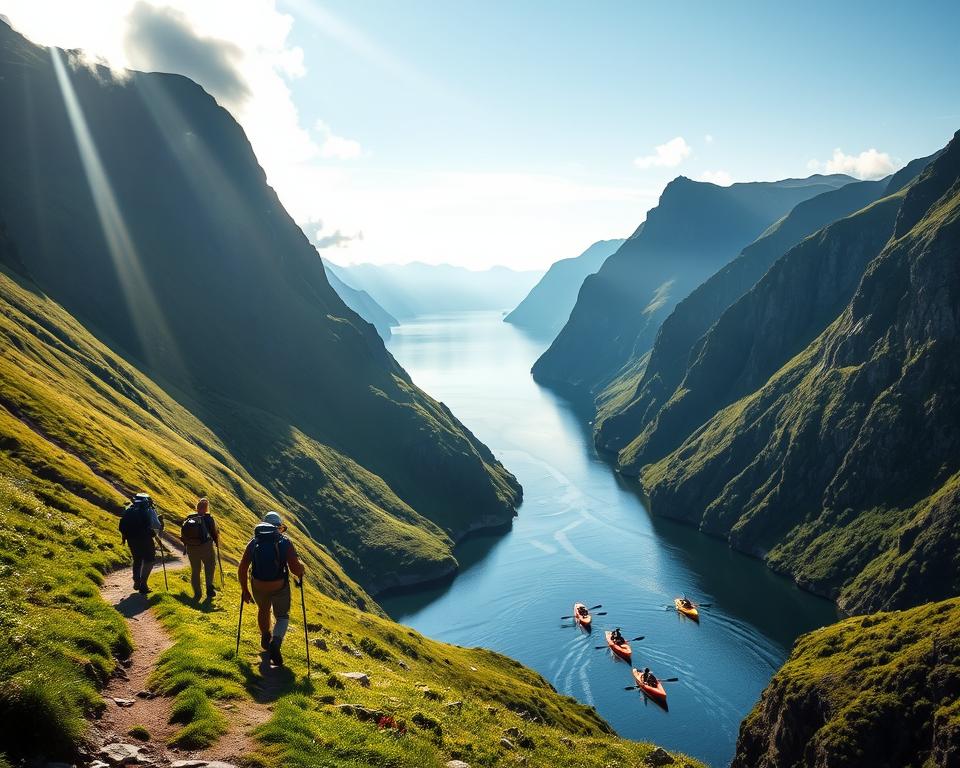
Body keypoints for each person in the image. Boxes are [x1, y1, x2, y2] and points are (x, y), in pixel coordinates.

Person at [238, 511, 305, 667]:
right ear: (279, 527)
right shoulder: (284, 542)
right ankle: (275, 641)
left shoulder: (254, 542)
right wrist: (301, 568)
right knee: (282, 616)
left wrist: (244, 589)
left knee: (263, 609)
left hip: (258, 584)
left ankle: (266, 636)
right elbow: (295, 569)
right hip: (278, 584)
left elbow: (242, 568)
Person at [119, 492, 163, 594]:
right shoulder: (149, 510)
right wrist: (159, 522)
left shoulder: (129, 509)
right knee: (150, 560)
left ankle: (136, 580)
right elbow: (156, 525)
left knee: (137, 559)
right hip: (145, 539)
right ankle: (143, 584)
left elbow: (123, 525)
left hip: (131, 539)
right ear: (148, 501)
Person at [181, 497, 220, 601]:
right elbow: (214, 533)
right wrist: (217, 543)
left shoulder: (189, 518)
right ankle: (209, 588)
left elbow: (184, 534)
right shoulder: (208, 518)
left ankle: (197, 594)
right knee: (210, 567)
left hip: (191, 548)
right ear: (206, 509)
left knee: (195, 570)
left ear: (197, 507)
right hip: (206, 547)